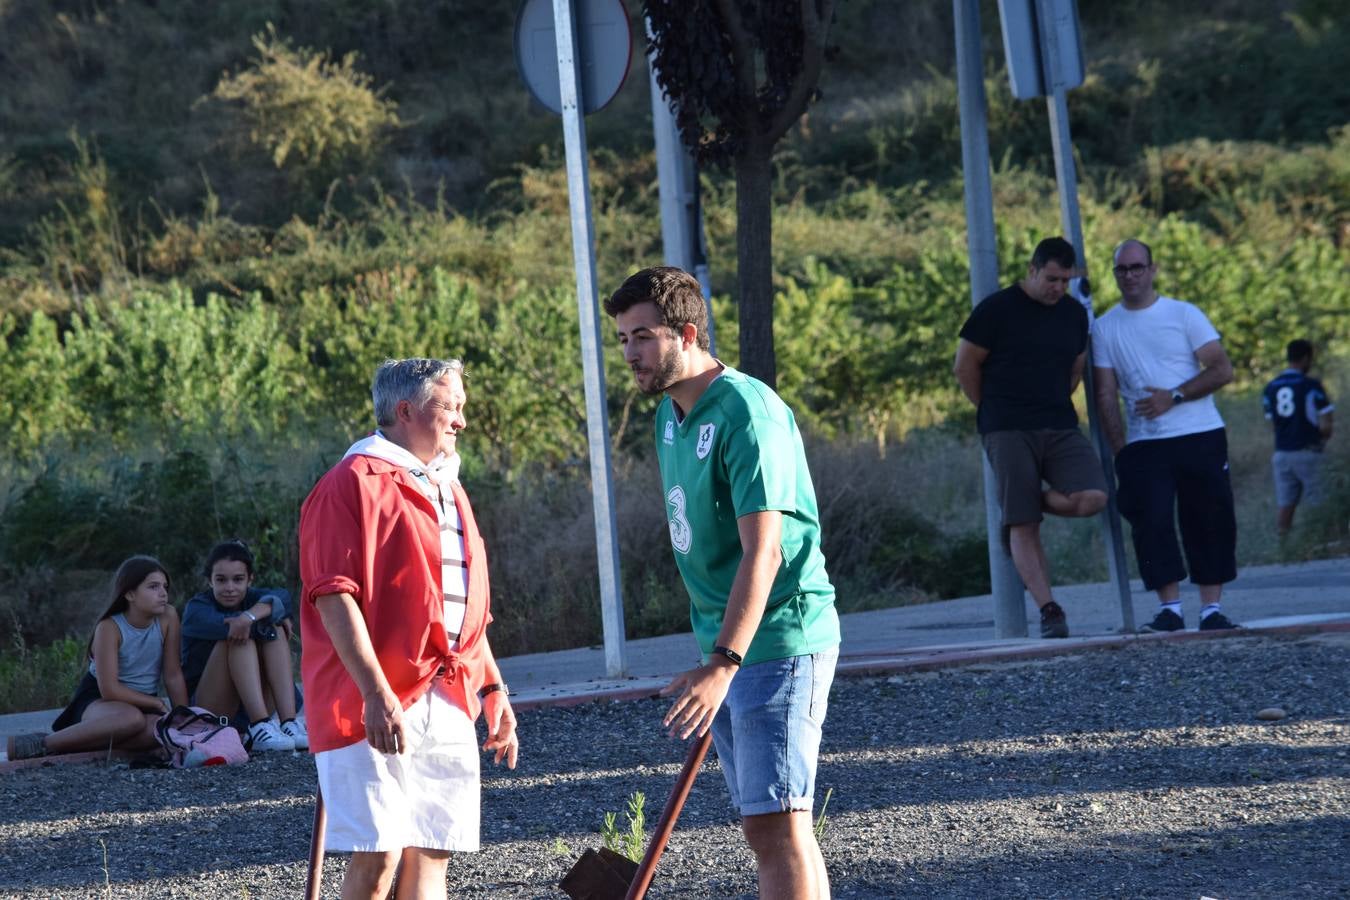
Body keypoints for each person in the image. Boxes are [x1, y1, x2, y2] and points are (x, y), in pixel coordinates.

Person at [605, 267, 840, 900]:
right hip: (729, 643)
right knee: (778, 827)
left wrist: (723, 662)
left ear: (686, 332)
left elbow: (763, 551)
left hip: (777, 638)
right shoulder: (668, 418)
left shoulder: (747, 410)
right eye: (623, 340)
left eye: (643, 337)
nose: (630, 354)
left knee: (775, 826)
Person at [299, 357, 518, 900]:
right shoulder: (348, 483)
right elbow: (333, 595)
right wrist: (375, 693)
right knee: (377, 856)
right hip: (371, 699)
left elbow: (465, 610)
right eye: (452, 407)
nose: (462, 421)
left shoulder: (448, 483)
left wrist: (491, 686)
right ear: (406, 411)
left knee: (433, 852)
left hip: (447, 693)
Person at [953, 236, 1108, 639]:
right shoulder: (997, 310)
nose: (1058, 287)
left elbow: (1076, 368)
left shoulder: (1073, 314)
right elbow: (965, 365)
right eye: (1052, 278)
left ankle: (1021, 502)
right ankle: (1049, 609)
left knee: (1092, 496)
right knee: (1025, 526)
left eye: (1065, 280)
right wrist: (989, 408)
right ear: (1033, 270)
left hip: (1058, 423)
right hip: (1006, 426)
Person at [1092, 238, 1241, 633]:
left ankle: (1211, 610)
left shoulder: (1184, 314)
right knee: (1152, 521)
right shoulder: (1105, 328)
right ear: (1114, 275)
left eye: (1137, 267)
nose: (1131, 276)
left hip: (1199, 432)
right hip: (1144, 443)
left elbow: (1221, 369)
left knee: (1209, 517)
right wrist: (1120, 449)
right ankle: (1169, 608)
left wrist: (1174, 397)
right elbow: (1105, 392)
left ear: (1153, 269)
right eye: (1122, 269)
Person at [6, 556, 189, 761]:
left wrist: (184, 719)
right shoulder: (109, 628)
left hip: (141, 703)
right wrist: (155, 703)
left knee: (161, 730)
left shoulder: (169, 616)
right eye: (153, 587)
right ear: (130, 593)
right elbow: (109, 689)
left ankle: (80, 745)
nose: (163, 593)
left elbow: (173, 674)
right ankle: (42, 744)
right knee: (131, 719)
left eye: (165, 586)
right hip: (101, 701)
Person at [181, 539, 307, 752]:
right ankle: (259, 725)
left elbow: (282, 597)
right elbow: (235, 627)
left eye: (238, 579)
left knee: (268, 630)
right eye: (221, 580)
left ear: (250, 580)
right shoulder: (197, 608)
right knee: (242, 636)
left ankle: (288, 724)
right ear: (210, 581)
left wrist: (251, 616)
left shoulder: (254, 598)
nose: (230, 588)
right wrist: (271, 614)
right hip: (213, 714)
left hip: (254, 709)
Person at [1262, 339, 1335, 535]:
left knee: (1286, 504)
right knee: (1319, 500)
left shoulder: (1271, 387)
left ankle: (1283, 545)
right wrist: (1321, 439)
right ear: (1305, 358)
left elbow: (1272, 423)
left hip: (1282, 453)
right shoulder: (1310, 385)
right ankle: (1322, 540)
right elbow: (1326, 421)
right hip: (1308, 450)